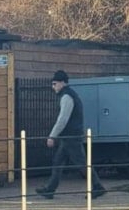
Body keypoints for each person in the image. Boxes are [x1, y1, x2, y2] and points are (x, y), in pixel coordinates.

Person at [36, 70, 106, 199]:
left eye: (55, 84)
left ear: (62, 83)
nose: (53, 87)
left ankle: (97, 186)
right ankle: (50, 189)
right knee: (58, 162)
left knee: (81, 163)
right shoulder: (70, 95)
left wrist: (52, 136)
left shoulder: (66, 97)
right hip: (70, 136)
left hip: (71, 137)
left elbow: (63, 119)